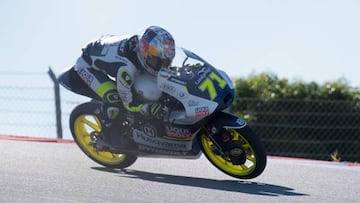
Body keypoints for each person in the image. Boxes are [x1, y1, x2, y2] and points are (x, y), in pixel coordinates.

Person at [74, 26, 176, 149]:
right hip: (87, 66)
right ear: (145, 54)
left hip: (104, 46)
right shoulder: (127, 68)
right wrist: (147, 107)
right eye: (158, 62)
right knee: (114, 99)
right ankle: (105, 137)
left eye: (166, 62)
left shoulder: (142, 49)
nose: (162, 67)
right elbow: (129, 103)